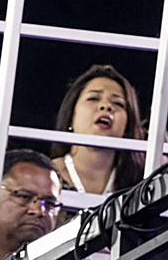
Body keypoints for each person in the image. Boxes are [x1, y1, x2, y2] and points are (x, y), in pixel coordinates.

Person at [51, 65, 145, 194]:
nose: (106, 106)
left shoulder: (141, 185)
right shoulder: (45, 175)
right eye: (93, 98)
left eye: (118, 103)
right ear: (71, 116)